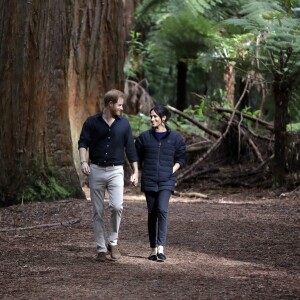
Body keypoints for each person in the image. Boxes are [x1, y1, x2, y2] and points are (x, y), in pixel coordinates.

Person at [78, 89, 139, 262]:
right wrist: (83, 162)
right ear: (110, 104)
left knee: (117, 206)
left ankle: (113, 242)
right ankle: (101, 248)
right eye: (119, 104)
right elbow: (83, 143)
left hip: (116, 170)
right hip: (96, 169)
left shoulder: (124, 124)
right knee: (97, 211)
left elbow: (131, 148)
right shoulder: (91, 122)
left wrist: (135, 171)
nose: (121, 108)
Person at [135, 105, 186, 261]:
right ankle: (152, 249)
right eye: (151, 116)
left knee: (162, 210)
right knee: (152, 213)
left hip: (166, 181)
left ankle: (161, 248)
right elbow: (136, 158)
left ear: (164, 118)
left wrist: (171, 170)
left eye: (155, 116)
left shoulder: (176, 138)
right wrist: (136, 172)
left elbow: (181, 159)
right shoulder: (144, 138)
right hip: (149, 180)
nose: (152, 119)